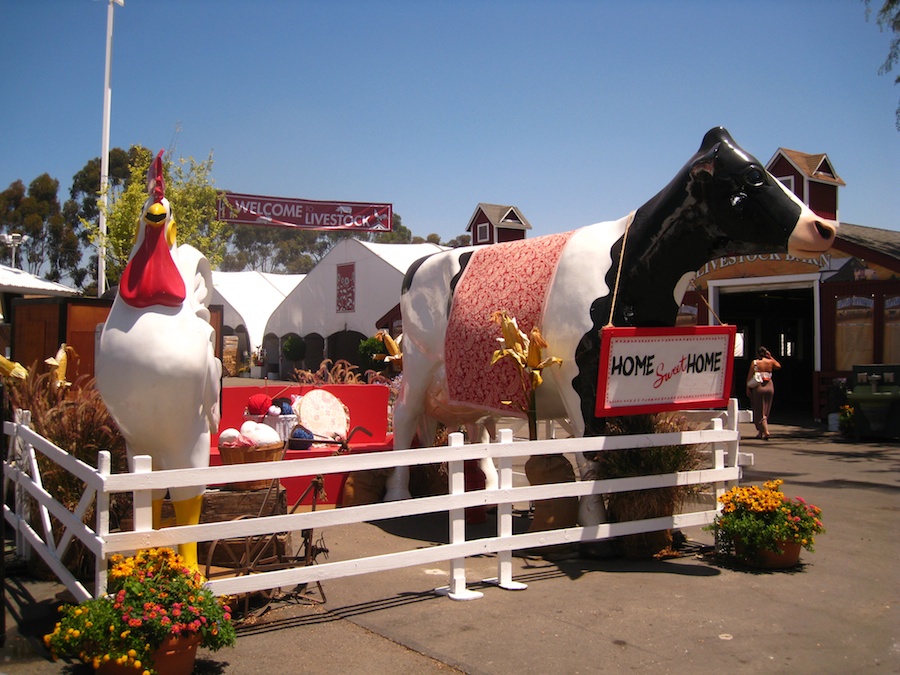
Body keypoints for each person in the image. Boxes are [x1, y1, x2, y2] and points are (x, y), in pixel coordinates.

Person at [746, 346, 782, 439]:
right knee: (766, 409)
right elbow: (778, 366)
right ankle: (760, 433)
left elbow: (750, 376)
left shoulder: (755, 363)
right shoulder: (770, 362)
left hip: (759, 386)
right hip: (769, 385)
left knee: (758, 410)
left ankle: (765, 431)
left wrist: (748, 388)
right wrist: (771, 357)